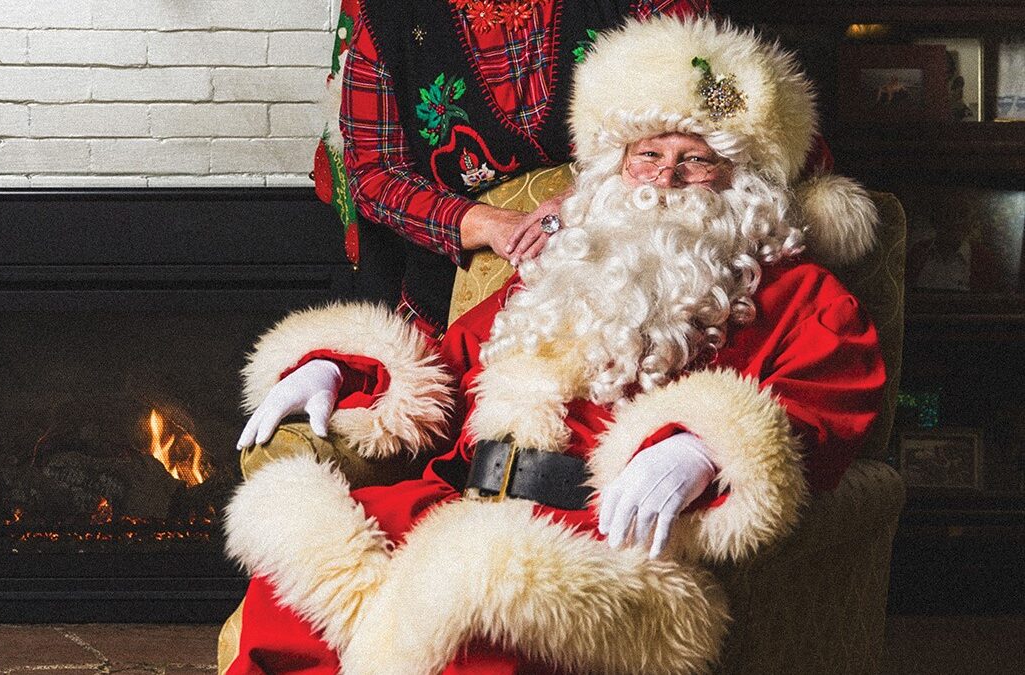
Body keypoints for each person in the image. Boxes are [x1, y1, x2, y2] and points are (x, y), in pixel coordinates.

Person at [225, 16, 884, 674]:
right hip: (456, 504)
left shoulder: (800, 297)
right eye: (646, 155)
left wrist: (705, 444)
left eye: (696, 159)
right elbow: (441, 364)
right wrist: (332, 367)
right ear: (617, 166)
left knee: (478, 624)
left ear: (741, 180)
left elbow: (823, 408)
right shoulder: (566, 268)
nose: (664, 178)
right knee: (286, 589)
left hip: (593, 548)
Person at [325, 0, 721, 341]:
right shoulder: (386, 14)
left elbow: (704, 125)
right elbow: (375, 173)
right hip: (449, 296)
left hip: (635, 266)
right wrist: (489, 225)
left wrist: (579, 200)